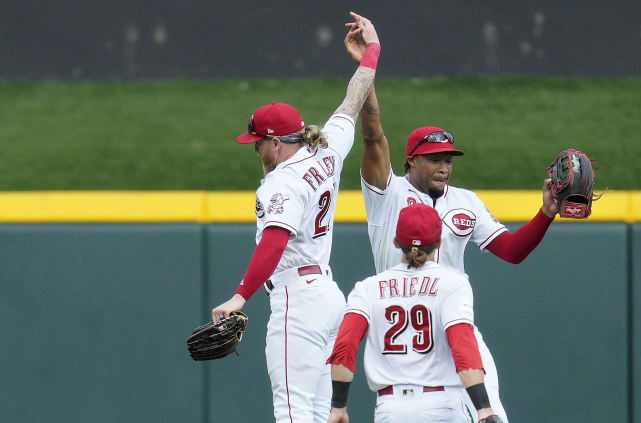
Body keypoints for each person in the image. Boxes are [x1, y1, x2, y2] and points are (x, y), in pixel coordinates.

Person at [343, 22, 558, 423]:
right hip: (408, 336)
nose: (444, 166)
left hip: (455, 322)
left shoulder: (466, 202)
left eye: (448, 159)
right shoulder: (387, 194)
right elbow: (372, 135)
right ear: (412, 161)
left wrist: (546, 212)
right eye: (435, 158)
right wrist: (367, 70)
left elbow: (510, 251)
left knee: (492, 417)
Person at [210, 12, 381, 423]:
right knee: (323, 413)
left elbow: (275, 241)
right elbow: (352, 101)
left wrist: (239, 296)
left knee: (294, 412)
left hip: (296, 301)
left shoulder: (280, 184)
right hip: (328, 297)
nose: (255, 149)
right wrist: (371, 51)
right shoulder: (325, 149)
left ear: (274, 143)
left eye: (258, 142)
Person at [326, 204, 504, 423]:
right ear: (439, 243)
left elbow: (345, 346)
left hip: (390, 410)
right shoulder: (453, 283)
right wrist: (483, 408)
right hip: (442, 405)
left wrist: (338, 407)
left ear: (396, 242)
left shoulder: (367, 288)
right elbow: (462, 344)